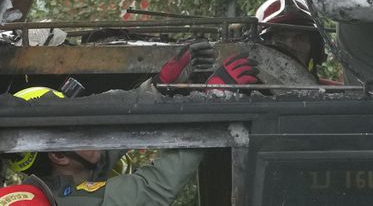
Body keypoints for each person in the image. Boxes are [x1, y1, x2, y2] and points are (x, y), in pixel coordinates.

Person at [4, 56, 259, 204]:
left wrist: (157, 90)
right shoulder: (69, 202)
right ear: (58, 156)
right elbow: (154, 187)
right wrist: (212, 104)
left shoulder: (51, 190)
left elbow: (103, 148)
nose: (91, 129)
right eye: (78, 128)